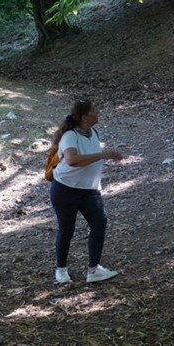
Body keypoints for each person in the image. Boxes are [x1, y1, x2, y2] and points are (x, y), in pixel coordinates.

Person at [49, 99, 123, 284]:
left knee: (99, 223)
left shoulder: (94, 133)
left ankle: (94, 269)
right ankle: (61, 270)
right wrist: (104, 155)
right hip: (65, 189)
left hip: (89, 190)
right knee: (67, 229)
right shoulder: (70, 135)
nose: (97, 113)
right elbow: (72, 160)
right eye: (94, 110)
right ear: (84, 117)